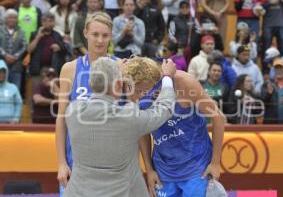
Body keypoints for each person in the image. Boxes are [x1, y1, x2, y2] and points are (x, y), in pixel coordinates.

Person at [63, 56, 177, 197]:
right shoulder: (128, 118)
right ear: (118, 84)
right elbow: (165, 108)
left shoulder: (72, 112)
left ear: (91, 82)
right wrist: (166, 77)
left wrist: (116, 76)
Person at [122, 57, 225, 197]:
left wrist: (215, 163)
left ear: (155, 80)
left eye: (143, 91)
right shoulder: (133, 91)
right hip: (163, 169)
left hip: (196, 166)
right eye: (136, 91)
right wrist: (149, 170)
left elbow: (218, 117)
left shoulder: (183, 82)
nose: (140, 96)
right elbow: (142, 130)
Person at [55, 12, 114, 196]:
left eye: (105, 35)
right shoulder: (70, 69)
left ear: (111, 36)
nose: (99, 40)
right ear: (86, 33)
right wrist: (62, 163)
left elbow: (133, 122)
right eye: (95, 34)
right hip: (76, 166)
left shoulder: (120, 67)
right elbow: (61, 119)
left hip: (111, 168)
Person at [27, 12, 67, 88]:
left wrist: (59, 47)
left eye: (51, 21)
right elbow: (29, 50)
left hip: (52, 70)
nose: (48, 23)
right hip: (37, 70)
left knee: (53, 94)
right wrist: (38, 37)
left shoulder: (57, 35)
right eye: (46, 21)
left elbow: (65, 50)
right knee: (36, 92)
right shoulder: (34, 34)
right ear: (42, 22)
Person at [0, 9, 27, 90]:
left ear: (17, 19)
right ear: (5, 19)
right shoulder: (0, 30)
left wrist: (16, 56)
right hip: (2, 66)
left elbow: (24, 46)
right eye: (9, 17)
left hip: (16, 65)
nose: (12, 19)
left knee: (16, 88)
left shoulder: (21, 31)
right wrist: (5, 55)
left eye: (14, 17)